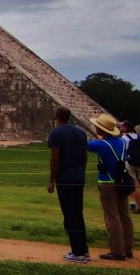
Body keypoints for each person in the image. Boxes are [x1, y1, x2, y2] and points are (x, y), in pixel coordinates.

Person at [87, 114, 134, 261]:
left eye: (97, 126)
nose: (95, 127)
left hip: (108, 183)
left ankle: (117, 251)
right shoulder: (121, 142)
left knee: (112, 218)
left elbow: (85, 145)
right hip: (121, 182)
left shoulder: (101, 145)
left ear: (102, 129)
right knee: (125, 216)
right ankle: (127, 248)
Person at [47, 106, 89, 263]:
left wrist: (52, 180)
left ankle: (77, 253)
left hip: (65, 178)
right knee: (78, 213)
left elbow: (55, 160)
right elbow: (84, 157)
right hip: (79, 177)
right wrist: (80, 172)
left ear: (56, 117)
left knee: (69, 215)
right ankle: (84, 249)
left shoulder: (56, 133)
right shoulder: (81, 132)